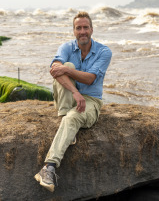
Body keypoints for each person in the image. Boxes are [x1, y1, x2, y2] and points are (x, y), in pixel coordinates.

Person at [34, 11, 112, 192]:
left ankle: (49, 167)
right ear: (74, 31)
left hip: (92, 100)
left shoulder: (104, 52)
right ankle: (65, 121)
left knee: (72, 116)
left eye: (86, 27)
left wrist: (66, 72)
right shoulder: (66, 47)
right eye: (79, 28)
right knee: (65, 66)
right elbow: (54, 69)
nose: (82, 31)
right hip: (69, 96)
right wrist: (76, 92)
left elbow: (91, 78)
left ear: (92, 29)